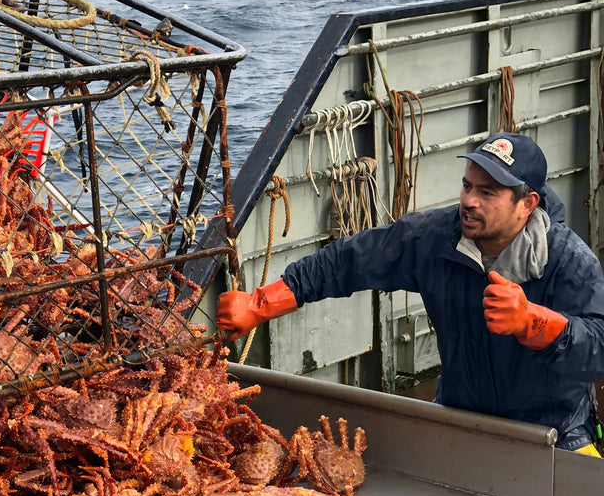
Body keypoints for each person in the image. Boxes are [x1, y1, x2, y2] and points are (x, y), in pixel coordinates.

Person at [217, 132, 604, 455]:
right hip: (461, 424)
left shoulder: (569, 260)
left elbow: (599, 350)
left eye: (488, 193)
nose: (469, 201)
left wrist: (534, 324)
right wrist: (259, 303)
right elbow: (347, 260)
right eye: (467, 186)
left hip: (557, 439)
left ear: (527, 204)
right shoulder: (435, 238)